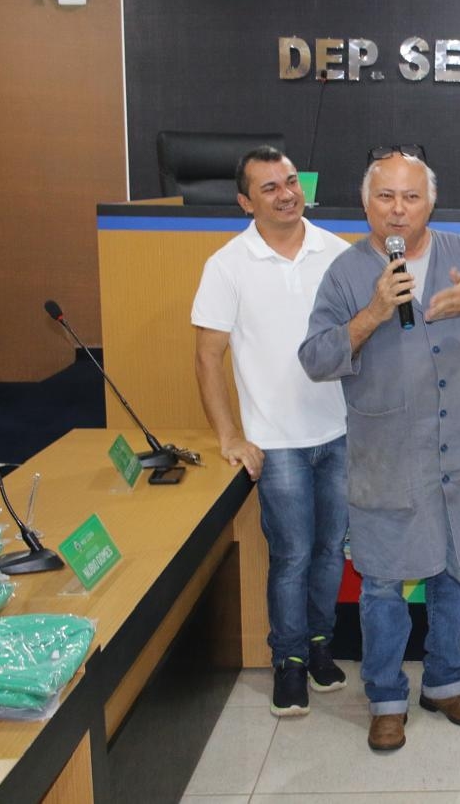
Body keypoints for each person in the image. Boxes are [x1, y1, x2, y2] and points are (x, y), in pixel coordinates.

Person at [298, 151, 460, 751]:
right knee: (382, 584)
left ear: (431, 202)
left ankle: (446, 681)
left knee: (457, 573)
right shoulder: (346, 272)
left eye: (411, 197)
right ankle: (385, 696)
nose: (398, 210)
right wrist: (374, 313)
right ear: (366, 204)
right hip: (388, 455)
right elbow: (316, 357)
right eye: (386, 197)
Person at [192, 146, 350, 718]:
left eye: (290, 182)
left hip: (339, 432)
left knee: (331, 550)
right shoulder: (227, 265)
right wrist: (229, 435)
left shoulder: (337, 252)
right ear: (245, 202)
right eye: (270, 188)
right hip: (276, 442)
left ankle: (320, 645)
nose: (286, 195)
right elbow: (207, 357)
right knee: (292, 555)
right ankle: (289, 661)